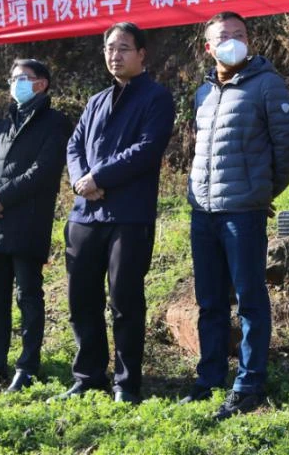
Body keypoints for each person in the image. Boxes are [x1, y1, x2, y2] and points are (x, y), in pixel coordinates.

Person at [180, 12, 289, 420]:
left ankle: (250, 383)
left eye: (239, 34)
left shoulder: (267, 84)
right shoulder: (203, 92)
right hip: (204, 211)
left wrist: (260, 192)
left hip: (243, 212)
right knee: (210, 301)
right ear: (208, 48)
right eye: (223, 37)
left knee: (250, 299)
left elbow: (287, 149)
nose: (232, 41)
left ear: (249, 41)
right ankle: (210, 377)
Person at [60, 22, 176, 405]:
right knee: (82, 300)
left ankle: (126, 383)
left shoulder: (156, 97)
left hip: (128, 215)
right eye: (110, 48)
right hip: (85, 214)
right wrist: (81, 180)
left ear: (142, 54)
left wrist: (99, 177)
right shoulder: (96, 101)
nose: (115, 55)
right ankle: (88, 376)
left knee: (125, 301)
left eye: (124, 48)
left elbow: (146, 149)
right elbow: (74, 145)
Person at [0, 59, 71, 396]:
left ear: (42, 84)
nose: (16, 83)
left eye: (24, 78)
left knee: (28, 296)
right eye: (13, 78)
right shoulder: (4, 123)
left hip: (28, 219)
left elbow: (43, 170)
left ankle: (27, 367)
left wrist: (2, 199)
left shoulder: (55, 122)